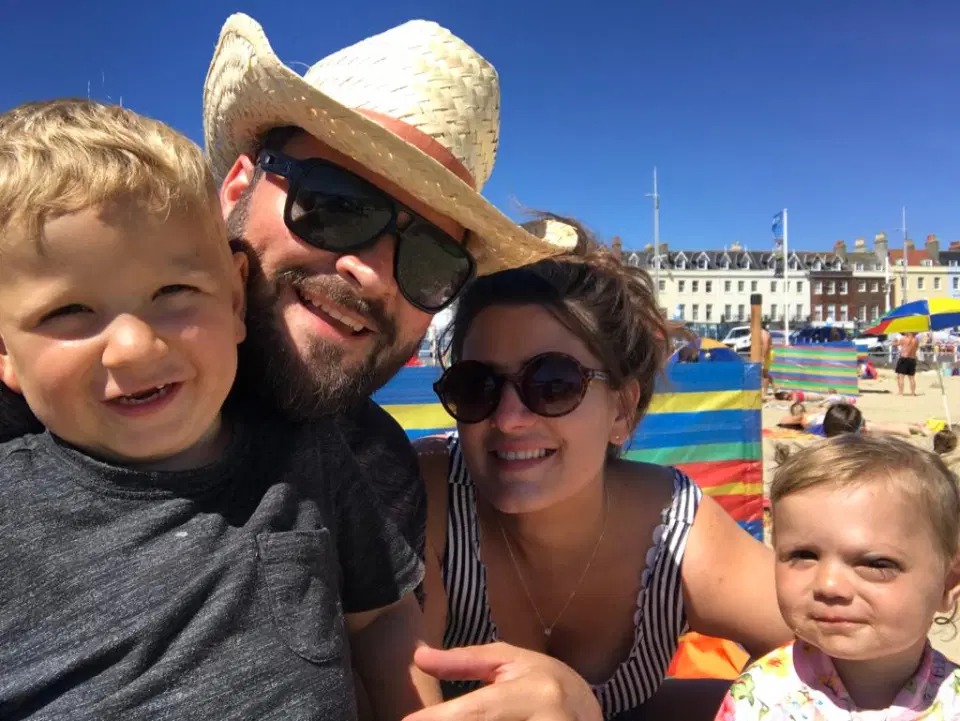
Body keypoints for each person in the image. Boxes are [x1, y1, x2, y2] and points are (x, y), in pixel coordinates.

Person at [203, 13, 599, 721]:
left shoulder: (374, 463)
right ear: (237, 189)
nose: (375, 275)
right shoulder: (36, 411)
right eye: (336, 206)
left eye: (430, 261)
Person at [0, 99, 436, 719]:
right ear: (5, 352)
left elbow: (383, 616)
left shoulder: (316, 454)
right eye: (67, 311)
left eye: (174, 291)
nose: (135, 347)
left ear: (234, 298)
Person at [416, 241, 793, 720]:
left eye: (553, 383)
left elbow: (840, 660)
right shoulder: (430, 496)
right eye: (476, 386)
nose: (509, 419)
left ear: (621, 409)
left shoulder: (671, 530)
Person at [715, 434, 960, 719]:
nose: (828, 585)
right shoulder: (761, 697)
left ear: (948, 583)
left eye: (874, 564)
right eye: (804, 555)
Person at [778, 402, 929, 438]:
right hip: (845, 422)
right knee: (880, 427)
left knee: (879, 427)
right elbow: (784, 421)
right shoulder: (807, 421)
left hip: (845, 420)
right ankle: (913, 427)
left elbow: (785, 421)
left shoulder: (808, 419)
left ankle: (913, 427)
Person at [760, 323, 774, 397]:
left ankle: (764, 392)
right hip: (765, 353)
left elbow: (765, 345)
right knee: (764, 372)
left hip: (767, 354)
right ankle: (775, 386)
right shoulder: (760, 333)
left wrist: (763, 357)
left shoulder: (763, 333)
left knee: (764, 373)